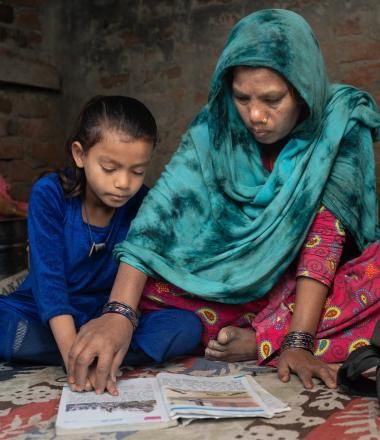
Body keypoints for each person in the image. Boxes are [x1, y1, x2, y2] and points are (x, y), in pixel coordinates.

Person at [67, 9, 380, 394]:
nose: (255, 115)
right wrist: (118, 314)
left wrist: (297, 341)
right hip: (220, 287)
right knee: (133, 280)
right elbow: (157, 218)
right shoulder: (214, 126)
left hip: (303, 290)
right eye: (241, 97)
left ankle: (264, 339)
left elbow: (324, 240)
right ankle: (251, 333)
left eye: (272, 99)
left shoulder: (340, 123)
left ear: (304, 90)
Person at [0, 95, 202, 395]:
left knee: (188, 327)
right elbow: (48, 282)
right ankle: (97, 355)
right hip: (45, 310)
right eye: (110, 168)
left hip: (108, 315)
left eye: (137, 171)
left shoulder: (143, 204)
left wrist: (114, 325)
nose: (124, 183)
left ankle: (102, 349)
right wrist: (73, 357)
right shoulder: (50, 194)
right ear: (80, 155)